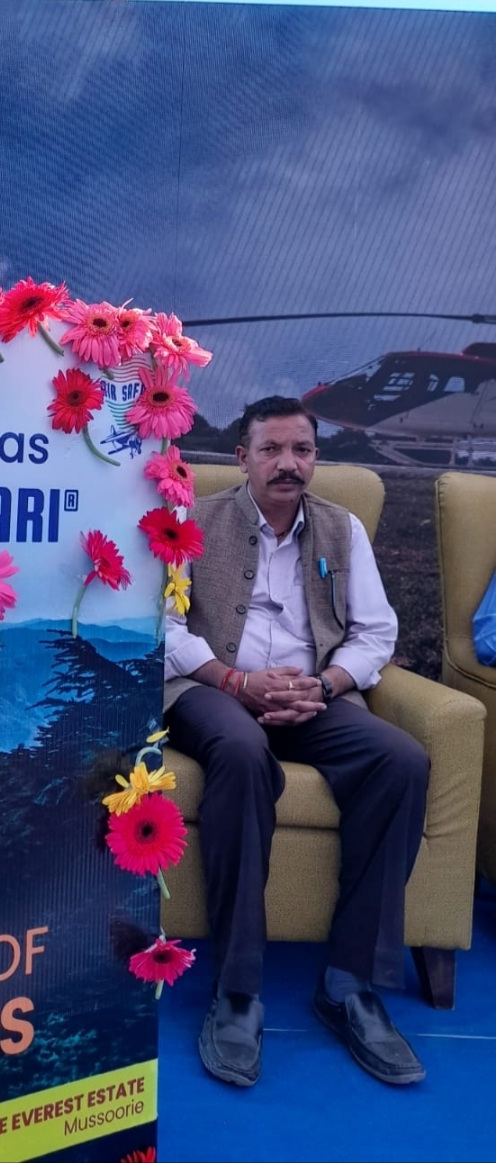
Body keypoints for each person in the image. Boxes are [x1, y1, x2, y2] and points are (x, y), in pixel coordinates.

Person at [164, 395, 429, 1088]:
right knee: (241, 752)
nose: (289, 464)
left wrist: (327, 684)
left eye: (302, 450)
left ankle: (349, 983)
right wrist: (235, 681)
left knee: (400, 760)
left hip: (314, 695)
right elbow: (163, 626)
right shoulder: (192, 522)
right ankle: (237, 989)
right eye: (272, 449)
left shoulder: (343, 529)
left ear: (315, 457)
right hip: (214, 688)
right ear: (242, 457)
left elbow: (375, 632)